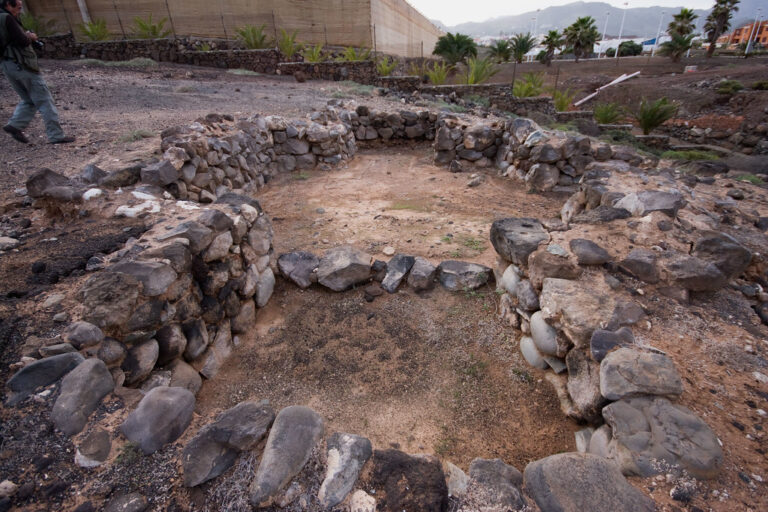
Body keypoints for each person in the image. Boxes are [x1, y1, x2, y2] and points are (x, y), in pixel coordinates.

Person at [1, 0, 73, 144]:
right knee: (45, 101)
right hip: (23, 65)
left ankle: (15, 125)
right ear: (8, 5)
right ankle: (56, 136)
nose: (19, 11)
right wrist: (30, 37)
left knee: (29, 99)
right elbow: (22, 41)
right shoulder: (7, 18)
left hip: (7, 66)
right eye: (18, 7)